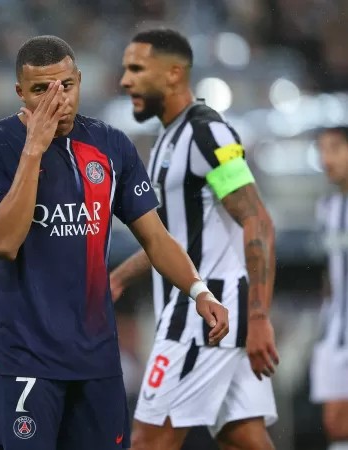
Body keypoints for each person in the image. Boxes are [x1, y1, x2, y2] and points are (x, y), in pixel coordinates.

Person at [0, 35, 229, 450]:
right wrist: (34, 150)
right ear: (20, 92)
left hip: (96, 358)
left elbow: (155, 236)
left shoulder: (111, 145)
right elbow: (4, 242)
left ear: (80, 81)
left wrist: (200, 291)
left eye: (66, 86)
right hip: (24, 354)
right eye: (41, 90)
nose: (57, 100)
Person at [111, 28, 279, 450]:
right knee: (244, 439)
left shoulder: (207, 134)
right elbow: (173, 239)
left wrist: (259, 317)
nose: (125, 80)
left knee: (147, 442)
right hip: (215, 317)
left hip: (203, 318)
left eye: (137, 69)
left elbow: (257, 221)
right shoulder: (168, 139)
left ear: (173, 74)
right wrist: (117, 278)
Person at [310, 126, 348, 450]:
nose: (326, 159)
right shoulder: (326, 207)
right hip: (335, 330)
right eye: (321, 150)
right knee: (335, 423)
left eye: (335, 148)